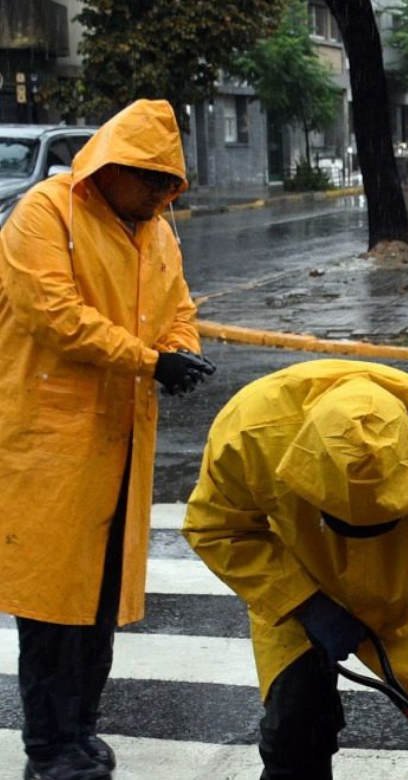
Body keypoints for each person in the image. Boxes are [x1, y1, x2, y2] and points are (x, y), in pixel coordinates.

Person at [0, 99, 215, 780]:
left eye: (170, 185)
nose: (160, 196)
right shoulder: (46, 213)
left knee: (97, 604)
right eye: (151, 181)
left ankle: (81, 730)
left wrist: (180, 349)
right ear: (112, 168)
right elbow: (54, 315)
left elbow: (177, 309)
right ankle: (49, 748)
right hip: (50, 442)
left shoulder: (156, 231)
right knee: (52, 609)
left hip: (120, 443)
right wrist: (152, 361)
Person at [183, 359, 408, 780]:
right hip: (299, 584)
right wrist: (305, 603)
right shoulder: (250, 434)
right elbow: (216, 528)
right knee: (295, 734)